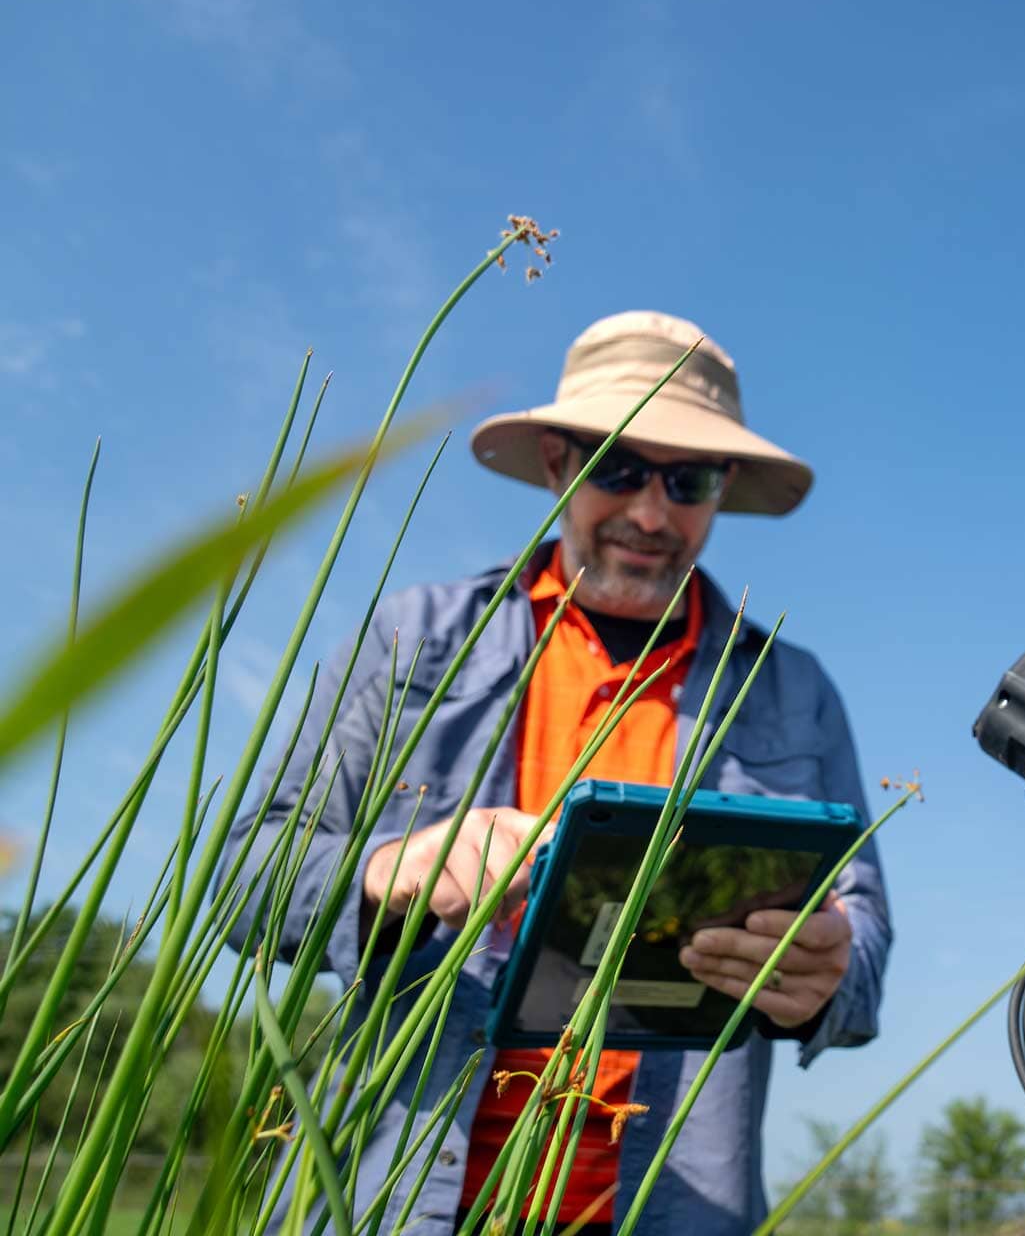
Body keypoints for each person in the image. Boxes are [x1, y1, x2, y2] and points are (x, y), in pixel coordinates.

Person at [222, 311, 891, 1236]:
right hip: (392, 1196)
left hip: (676, 1203)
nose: (651, 514)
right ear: (555, 462)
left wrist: (831, 968)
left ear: (722, 489)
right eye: (616, 468)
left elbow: (862, 941)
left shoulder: (793, 691)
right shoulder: (411, 639)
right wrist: (392, 871)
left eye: (687, 480)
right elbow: (247, 875)